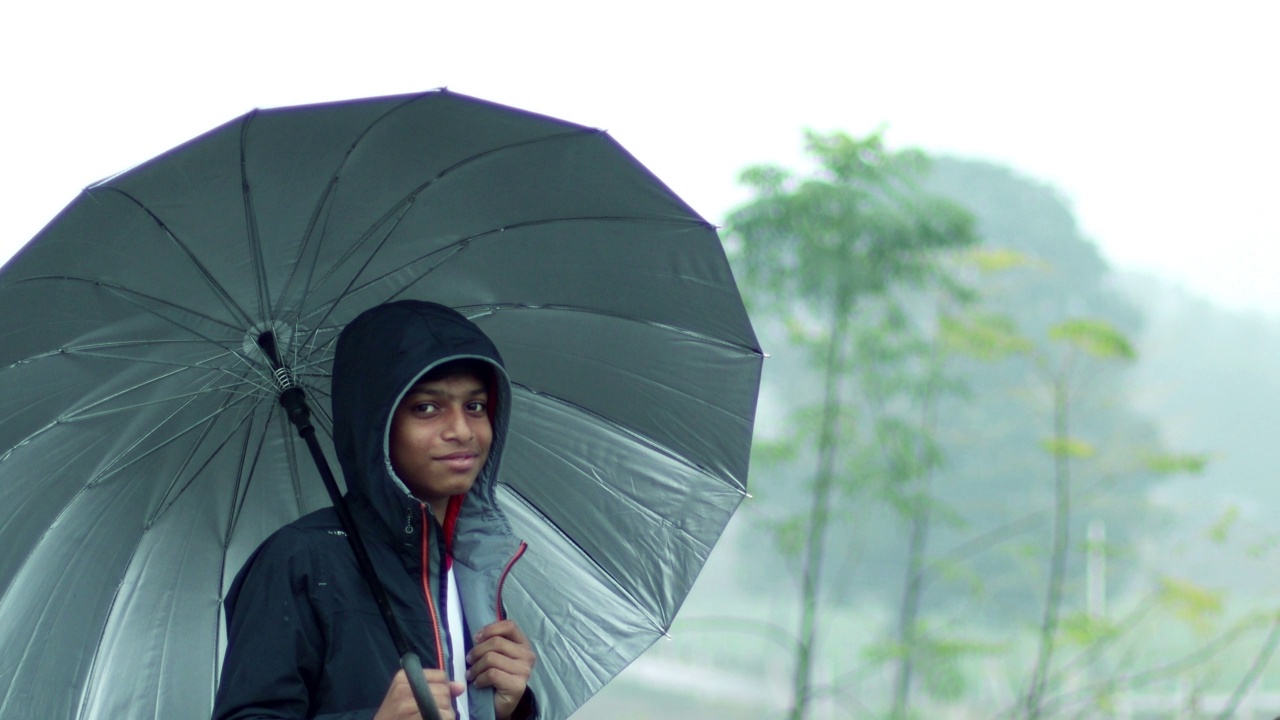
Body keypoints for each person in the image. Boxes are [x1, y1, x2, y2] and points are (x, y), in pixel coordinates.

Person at [212, 300, 538, 720]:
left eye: (475, 406)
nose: (461, 430)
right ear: (375, 423)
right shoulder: (300, 560)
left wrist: (512, 709)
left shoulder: (472, 563)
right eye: (427, 407)